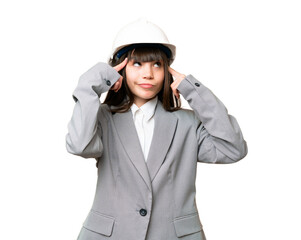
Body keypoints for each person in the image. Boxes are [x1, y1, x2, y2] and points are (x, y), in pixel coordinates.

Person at [65, 18, 248, 240]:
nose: (148, 74)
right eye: (137, 64)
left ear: (167, 70)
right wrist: (96, 82)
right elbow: (79, 145)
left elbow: (233, 149)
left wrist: (194, 91)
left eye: (157, 64)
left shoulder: (187, 124)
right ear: (119, 69)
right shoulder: (103, 118)